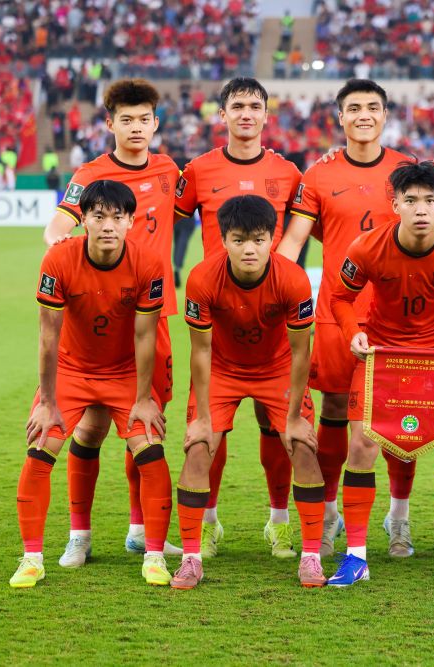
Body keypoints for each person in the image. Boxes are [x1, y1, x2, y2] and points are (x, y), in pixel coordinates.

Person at [327, 161, 434, 589]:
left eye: (429, 201)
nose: (421, 209)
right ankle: (356, 557)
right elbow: (340, 298)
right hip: (383, 357)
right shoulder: (367, 247)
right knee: (361, 446)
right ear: (395, 205)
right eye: (411, 200)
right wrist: (352, 332)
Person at [45, 78, 181, 563]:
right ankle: (79, 535)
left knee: (144, 425)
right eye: (126, 119)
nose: (136, 127)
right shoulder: (91, 174)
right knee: (91, 429)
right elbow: (58, 226)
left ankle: (140, 530)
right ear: (110, 124)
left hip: (152, 315)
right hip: (101, 318)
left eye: (144, 119)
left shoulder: (169, 169)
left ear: (155, 123)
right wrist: (62, 248)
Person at [11, 180, 172, 588]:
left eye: (118, 217)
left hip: (123, 372)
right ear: (82, 219)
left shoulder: (149, 263)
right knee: (41, 445)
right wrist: (47, 402)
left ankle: (154, 555)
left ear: (131, 221)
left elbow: (145, 336)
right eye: (98, 216)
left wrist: (144, 398)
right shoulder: (59, 259)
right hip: (71, 369)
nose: (108, 226)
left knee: (150, 449)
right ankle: (32, 558)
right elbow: (48, 335)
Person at [278, 79, 414, 558]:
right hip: (338, 313)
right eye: (354, 108)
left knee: (400, 417)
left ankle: (399, 518)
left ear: (385, 115)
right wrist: (271, 287)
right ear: (340, 117)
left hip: (398, 316)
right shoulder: (318, 174)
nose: (363, 115)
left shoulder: (406, 170)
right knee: (335, 410)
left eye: (372, 107)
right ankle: (330, 513)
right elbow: (295, 240)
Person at [174, 77, 304, 559]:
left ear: (266, 115)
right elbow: (166, 221)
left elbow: (307, 227)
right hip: (218, 317)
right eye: (237, 106)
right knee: (211, 430)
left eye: (254, 106)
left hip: (272, 317)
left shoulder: (287, 172)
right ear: (222, 115)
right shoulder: (198, 169)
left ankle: (279, 523)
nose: (246, 114)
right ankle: (208, 524)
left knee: (278, 428)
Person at [174, 195, 323, 589]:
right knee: (198, 447)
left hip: (277, 367)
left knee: (304, 446)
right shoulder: (202, 279)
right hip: (222, 368)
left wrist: (295, 418)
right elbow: (200, 351)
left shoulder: (293, 279)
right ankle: (191, 558)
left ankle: (310, 557)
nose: (249, 249)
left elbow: (301, 351)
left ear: (272, 239)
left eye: (258, 239)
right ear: (224, 240)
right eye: (239, 240)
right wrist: (202, 418)